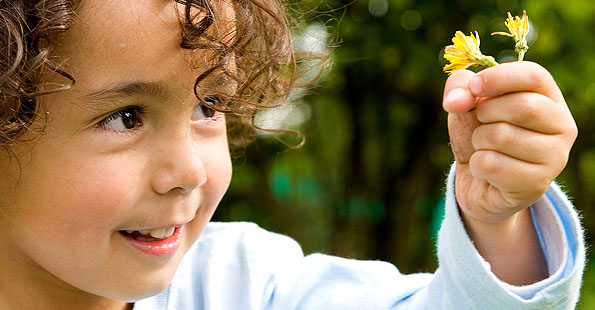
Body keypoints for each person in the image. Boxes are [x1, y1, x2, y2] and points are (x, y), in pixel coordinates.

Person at [0, 0, 584, 309]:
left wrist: (497, 218)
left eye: (209, 106)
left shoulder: (251, 287)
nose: (190, 172)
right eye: (125, 117)